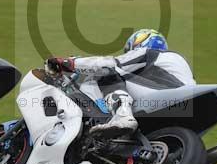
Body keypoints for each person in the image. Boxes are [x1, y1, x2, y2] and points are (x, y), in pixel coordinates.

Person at [44, 29, 195, 138]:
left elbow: (110, 64)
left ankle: (122, 116)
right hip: (186, 108)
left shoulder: (150, 53)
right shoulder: (177, 63)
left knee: (106, 71)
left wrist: (68, 63)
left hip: (164, 95)